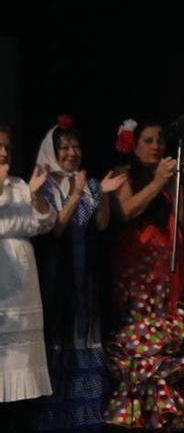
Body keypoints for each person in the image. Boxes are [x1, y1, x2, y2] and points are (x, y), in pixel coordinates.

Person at [104, 119, 184, 430]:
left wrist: (171, 186)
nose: (157, 146)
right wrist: (157, 182)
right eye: (149, 141)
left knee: (170, 345)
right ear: (133, 145)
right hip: (136, 278)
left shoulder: (170, 180)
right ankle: (139, 417)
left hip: (166, 278)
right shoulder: (122, 175)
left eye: (160, 141)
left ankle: (169, 415)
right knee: (145, 349)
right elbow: (125, 211)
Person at [31, 118, 126, 432]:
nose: (72, 153)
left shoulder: (90, 183)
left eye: (75, 146)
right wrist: (76, 193)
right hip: (58, 280)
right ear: (52, 150)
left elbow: (101, 224)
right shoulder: (43, 185)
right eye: (64, 147)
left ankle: (87, 422)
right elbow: (56, 229)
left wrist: (104, 194)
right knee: (60, 345)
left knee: (86, 341)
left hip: (86, 283)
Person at [0, 124, 55, 429]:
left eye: (6, 146)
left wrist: (33, 196)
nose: (4, 152)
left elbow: (45, 222)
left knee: (21, 383)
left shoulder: (19, 185)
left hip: (22, 288)